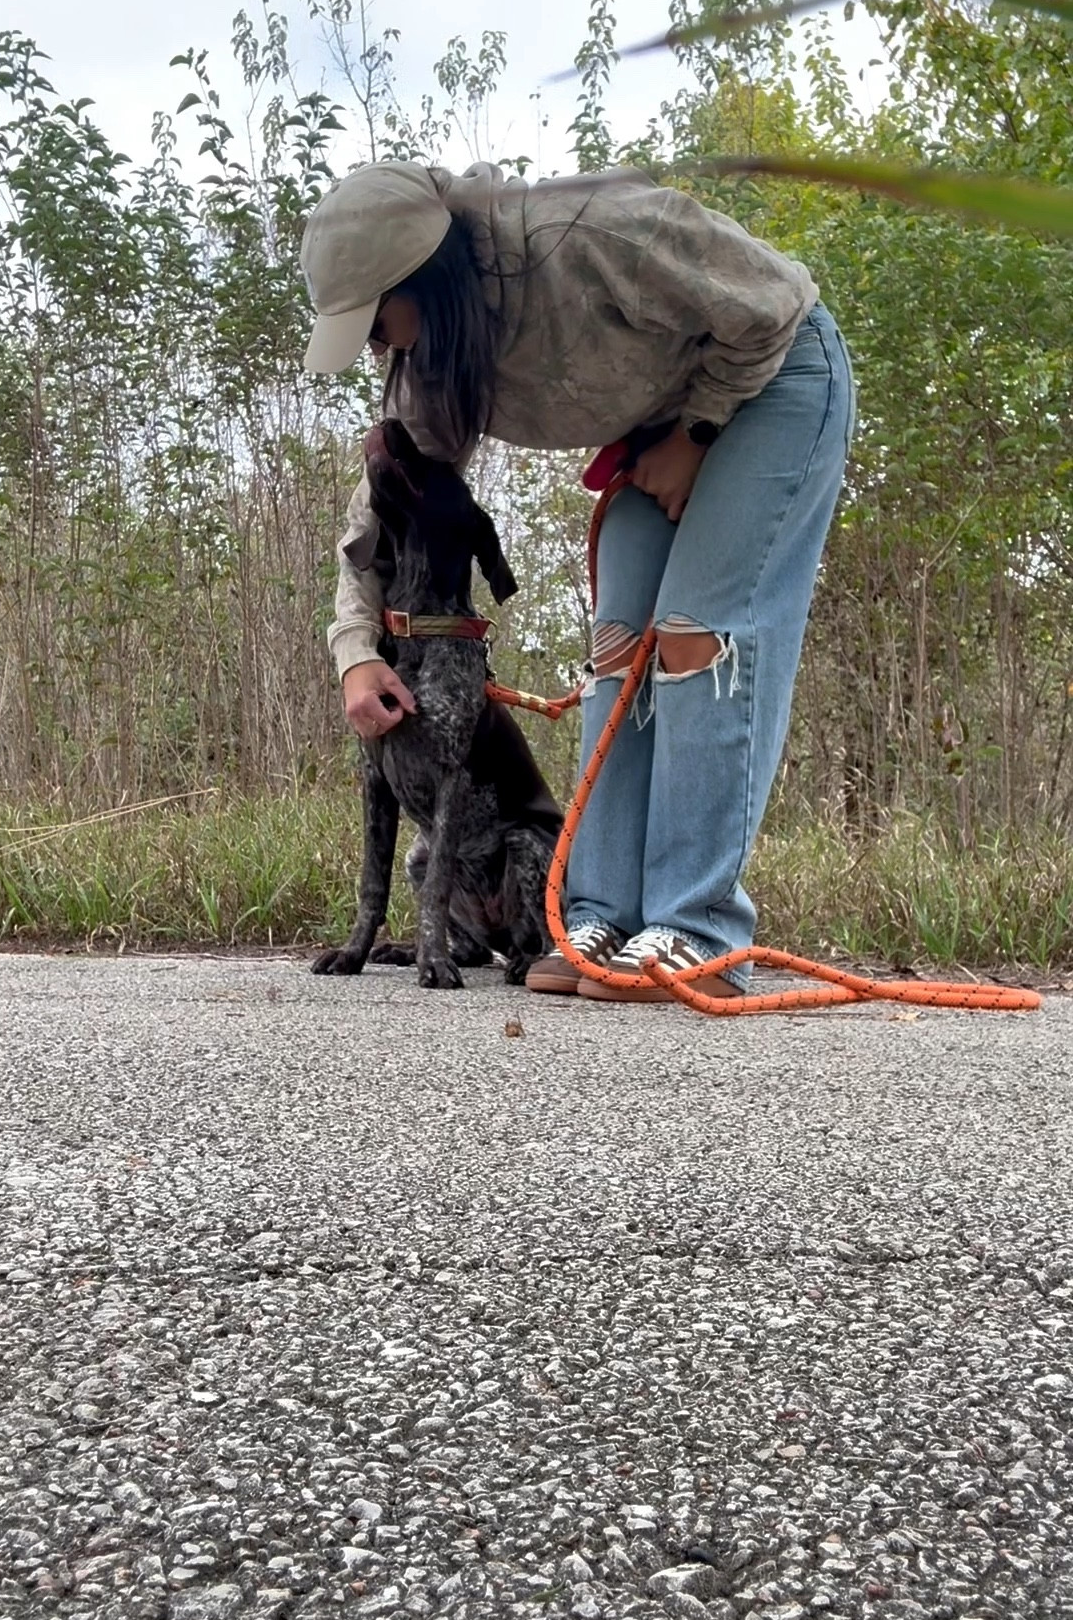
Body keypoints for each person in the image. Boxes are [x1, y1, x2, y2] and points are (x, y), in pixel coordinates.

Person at [301, 160, 855, 1002]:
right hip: (663, 422)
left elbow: (770, 308)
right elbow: (377, 522)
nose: (376, 348)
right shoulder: (436, 361)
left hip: (772, 380)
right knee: (617, 648)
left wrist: (699, 433)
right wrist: (354, 651)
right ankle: (602, 914)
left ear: (426, 278)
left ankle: (698, 929)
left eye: (376, 323)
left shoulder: (588, 236)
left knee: (695, 637)